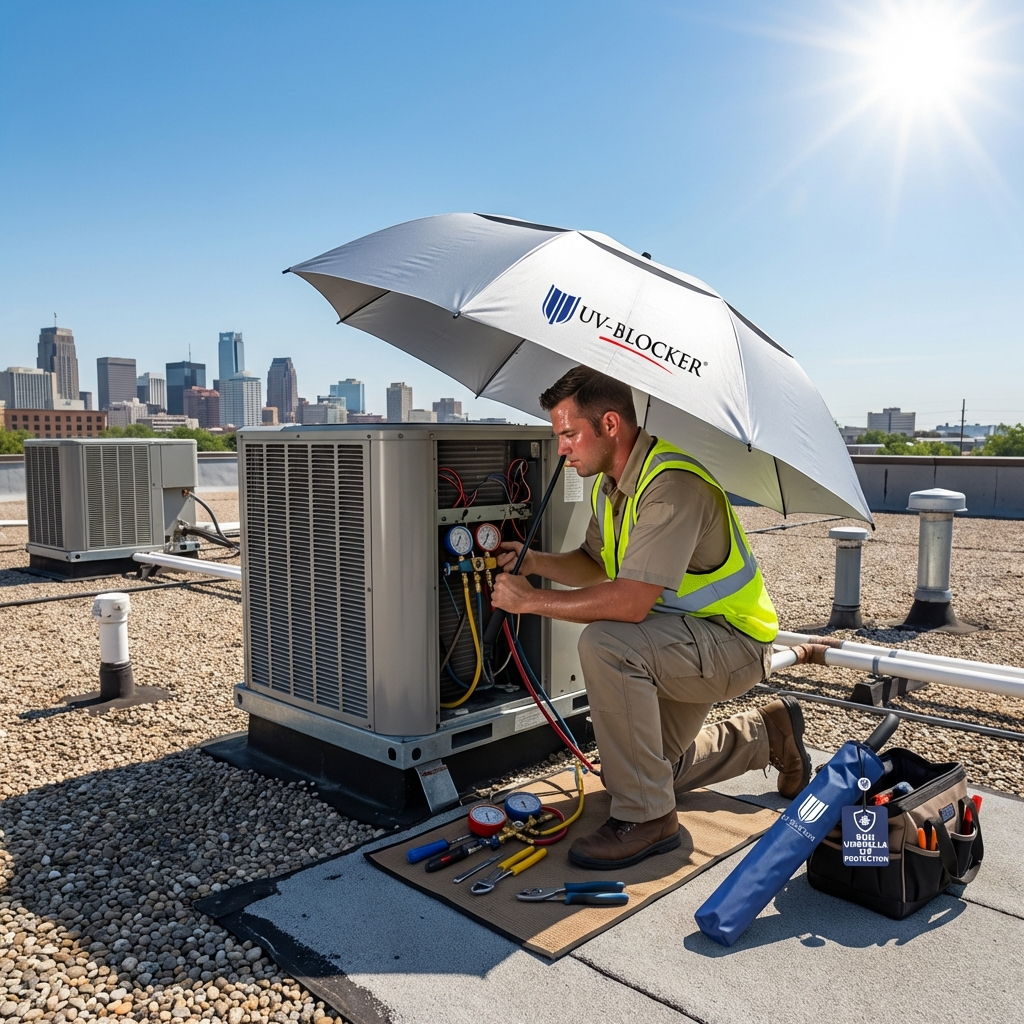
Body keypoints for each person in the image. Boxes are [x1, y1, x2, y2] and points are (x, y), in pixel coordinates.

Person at [490, 365, 811, 870]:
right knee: (644, 771)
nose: (562, 449)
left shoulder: (672, 486)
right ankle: (767, 735)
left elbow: (630, 603)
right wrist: (533, 563)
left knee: (605, 644)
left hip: (733, 643)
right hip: (678, 641)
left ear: (610, 424)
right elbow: (594, 562)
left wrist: (530, 602)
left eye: (569, 434)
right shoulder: (611, 485)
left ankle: (649, 820)